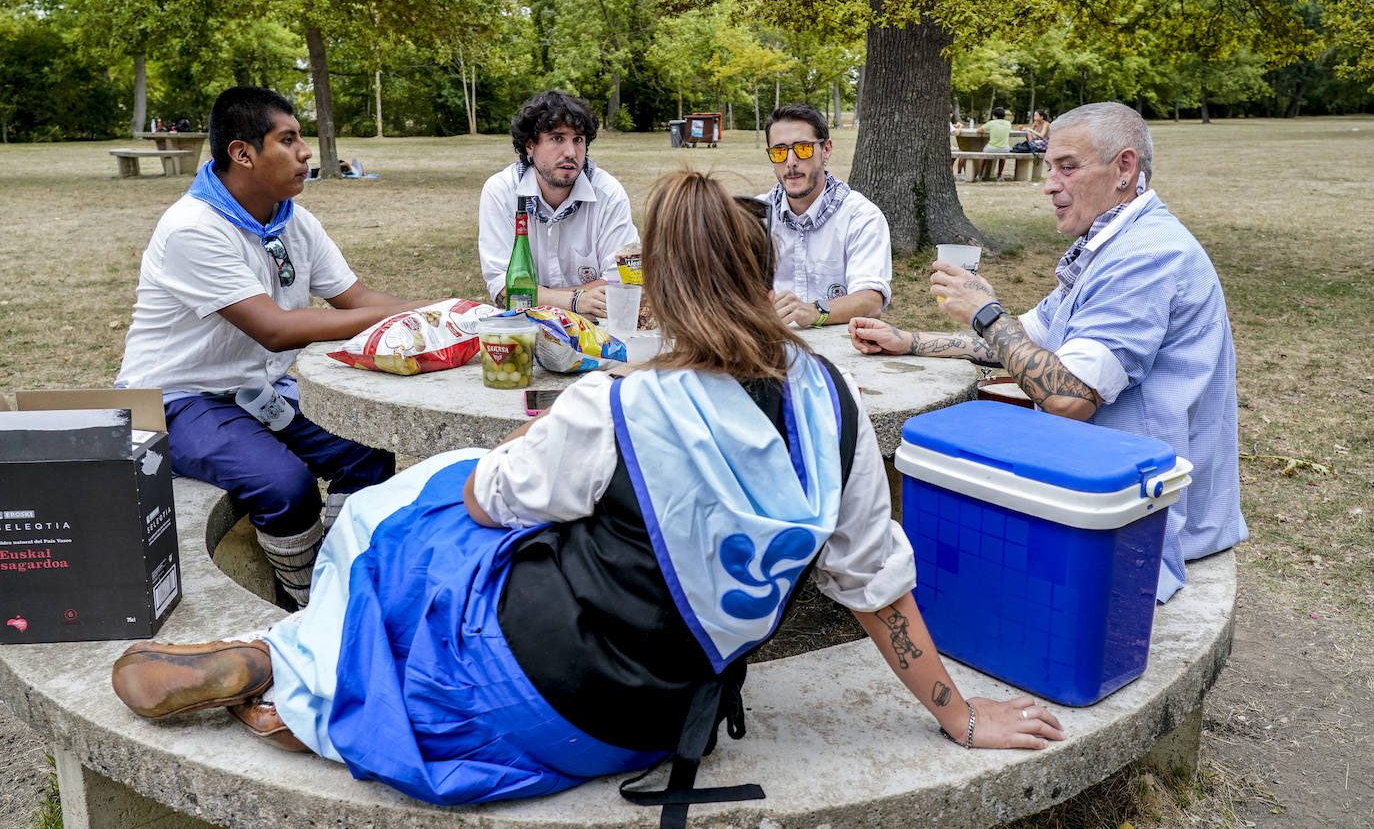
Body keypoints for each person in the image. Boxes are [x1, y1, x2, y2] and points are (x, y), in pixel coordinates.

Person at [110, 170, 1063, 817]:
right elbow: (874, 582)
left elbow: (493, 498)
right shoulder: (832, 401)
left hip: (533, 693)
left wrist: (531, 452)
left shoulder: (618, 403)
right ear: (763, 275)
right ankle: (282, 663)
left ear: (656, 289)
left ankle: (287, 662)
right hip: (661, 714)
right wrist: (957, 712)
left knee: (409, 522)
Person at [849, 102, 1247, 602]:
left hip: (1148, 522)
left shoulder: (1149, 254)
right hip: (1109, 487)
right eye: (1047, 166)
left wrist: (986, 311)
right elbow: (1029, 347)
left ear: (1125, 168)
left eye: (1067, 166)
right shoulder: (1109, 241)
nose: (1049, 184)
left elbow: (1069, 397)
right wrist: (909, 341)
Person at [115, 86, 433, 607]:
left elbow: (353, 297)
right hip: (179, 398)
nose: (305, 152)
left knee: (365, 446)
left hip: (259, 388)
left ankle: (345, 579)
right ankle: (308, 603)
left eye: (301, 138)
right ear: (242, 153)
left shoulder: (292, 220)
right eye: (288, 140)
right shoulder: (192, 229)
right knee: (285, 485)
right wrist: (411, 312)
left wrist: (435, 313)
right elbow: (276, 329)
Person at [477, 90, 638, 320]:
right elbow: (504, 289)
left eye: (578, 140)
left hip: (596, 333)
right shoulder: (502, 191)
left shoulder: (609, 194)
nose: (571, 153)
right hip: (525, 330)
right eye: (557, 138)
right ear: (530, 146)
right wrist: (576, 301)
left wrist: (535, 296)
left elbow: (621, 286)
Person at [761, 103, 890, 329]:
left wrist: (814, 311)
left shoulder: (860, 217)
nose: (790, 161)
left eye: (802, 148)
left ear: (826, 150)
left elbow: (871, 300)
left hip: (840, 353)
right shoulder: (755, 216)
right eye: (779, 151)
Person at [980, 106, 1013, 180]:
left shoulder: (991, 123)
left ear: (994, 116)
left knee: (983, 155)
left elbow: (979, 130)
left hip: (991, 148)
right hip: (1005, 149)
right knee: (1002, 157)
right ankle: (999, 176)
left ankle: (979, 175)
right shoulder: (1008, 123)